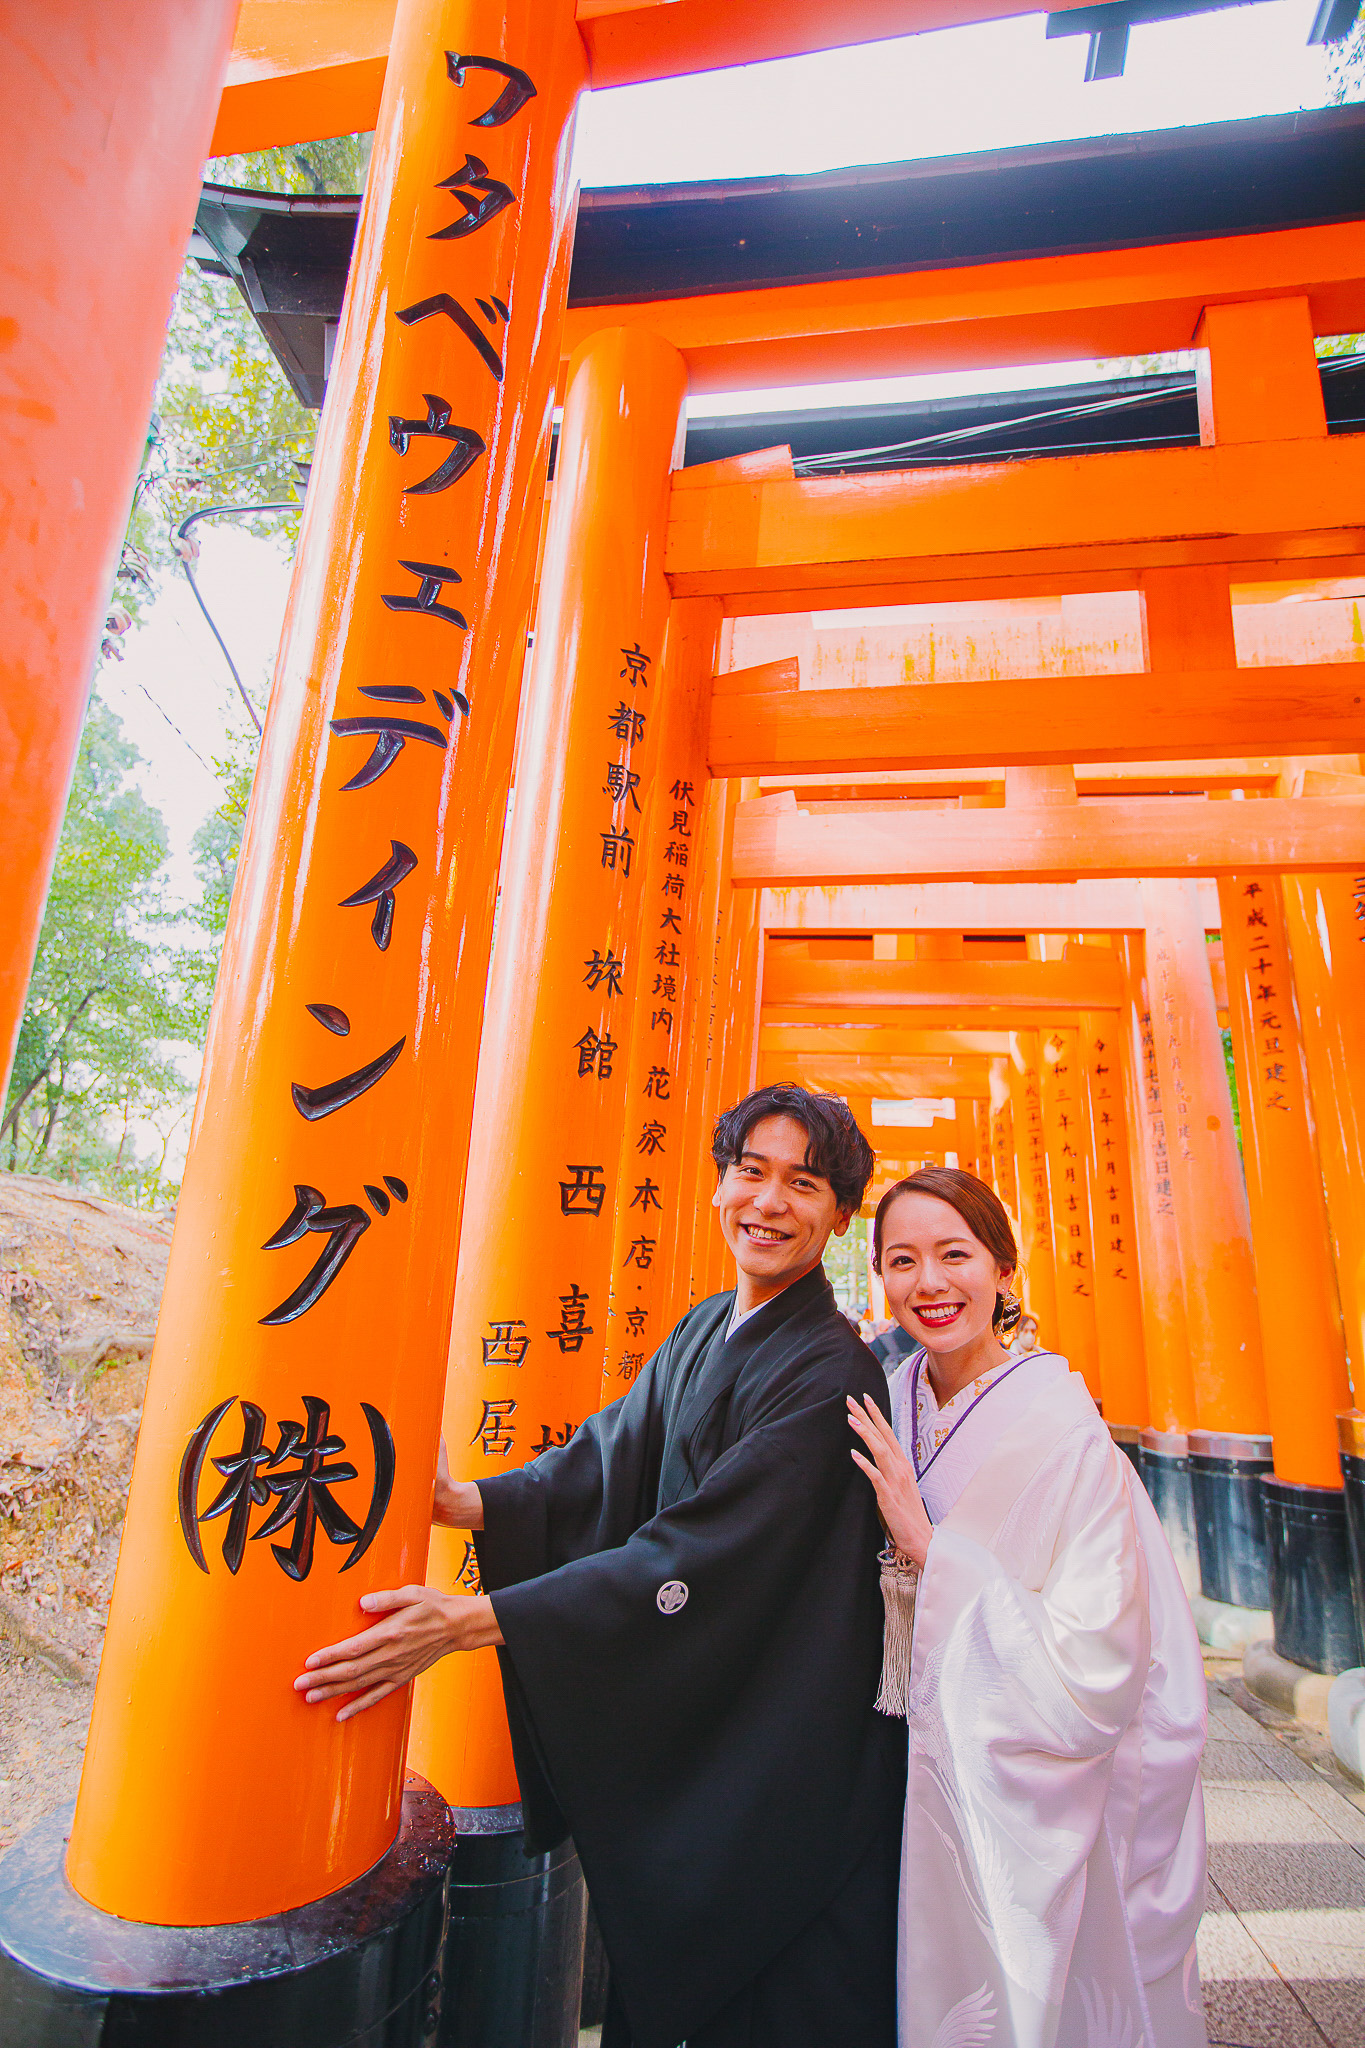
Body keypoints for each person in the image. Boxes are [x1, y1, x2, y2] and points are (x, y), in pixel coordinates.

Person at [299, 1085, 906, 2048]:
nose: (770, 1203)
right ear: (718, 1183)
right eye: (750, 1172)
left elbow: (707, 1553)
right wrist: (474, 1504)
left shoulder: (832, 1371)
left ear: (839, 1214)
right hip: (719, 1707)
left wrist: (474, 1622)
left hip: (782, 1746)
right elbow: (603, 1460)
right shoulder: (707, 1325)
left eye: (803, 1183)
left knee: (771, 1994)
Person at [847, 1167, 1207, 2048]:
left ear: (1004, 1269)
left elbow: (1099, 1654)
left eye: (953, 1255)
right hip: (901, 1750)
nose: (927, 1284)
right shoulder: (885, 1401)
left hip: (1019, 1768)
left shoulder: (1063, 1430)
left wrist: (932, 1552)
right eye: (901, 1260)